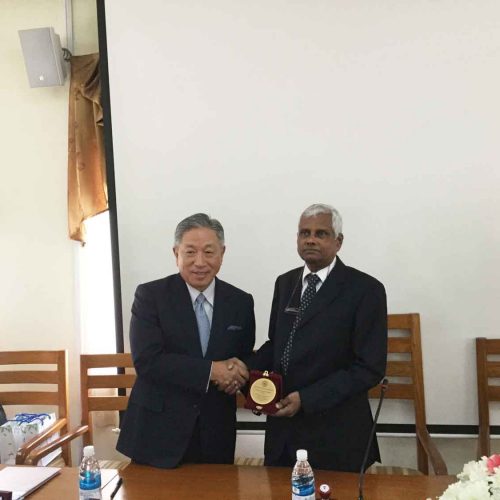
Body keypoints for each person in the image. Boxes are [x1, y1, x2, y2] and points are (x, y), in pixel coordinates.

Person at [248, 204, 387, 472]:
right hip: (282, 433)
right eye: (305, 233)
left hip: (337, 436)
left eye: (321, 233)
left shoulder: (365, 290)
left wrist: (307, 399)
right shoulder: (285, 283)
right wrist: (242, 368)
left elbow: (369, 368)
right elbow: (277, 346)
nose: (310, 240)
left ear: (338, 241)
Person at [117, 213, 255, 468]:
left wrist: (239, 377)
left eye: (209, 252)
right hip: (158, 433)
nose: (199, 262)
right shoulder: (150, 296)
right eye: (190, 252)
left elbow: (242, 358)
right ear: (176, 253)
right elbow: (148, 361)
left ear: (222, 253)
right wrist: (213, 371)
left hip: (216, 433)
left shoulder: (241, 302)